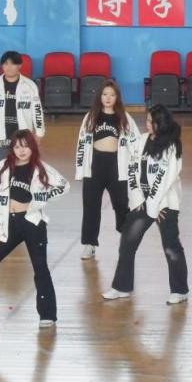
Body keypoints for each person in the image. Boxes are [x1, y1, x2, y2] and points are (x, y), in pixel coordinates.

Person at [0, 130, 70, 329]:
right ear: (12, 149)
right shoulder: (2, 167)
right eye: (17, 146)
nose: (21, 151)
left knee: (40, 268)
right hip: (9, 224)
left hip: (33, 223)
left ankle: (47, 315)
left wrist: (41, 199)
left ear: (32, 147)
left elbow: (64, 186)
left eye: (25, 146)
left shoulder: (41, 168)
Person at [102, 104, 189, 302]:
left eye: (152, 121)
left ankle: (180, 290)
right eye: (148, 121)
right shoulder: (141, 140)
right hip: (142, 201)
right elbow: (132, 169)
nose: (147, 124)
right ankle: (122, 287)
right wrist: (138, 199)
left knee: (171, 246)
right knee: (128, 241)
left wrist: (154, 206)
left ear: (161, 123)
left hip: (164, 203)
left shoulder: (172, 146)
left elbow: (165, 178)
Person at [74, 79, 140, 259]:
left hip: (116, 166)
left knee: (121, 204)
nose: (108, 98)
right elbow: (82, 143)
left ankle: (126, 239)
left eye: (112, 95)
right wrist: (80, 169)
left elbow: (136, 143)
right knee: (91, 205)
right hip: (95, 165)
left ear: (117, 97)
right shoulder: (91, 116)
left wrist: (135, 168)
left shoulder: (125, 117)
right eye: (105, 94)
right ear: (100, 96)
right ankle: (89, 244)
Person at [0, 51, 45, 174]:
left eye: (13, 64)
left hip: (23, 137)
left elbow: (37, 110)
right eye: (6, 64)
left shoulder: (30, 86)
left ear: (19, 65)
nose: (9, 67)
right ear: (2, 66)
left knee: (24, 170)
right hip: (0, 138)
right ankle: (3, 186)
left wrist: (39, 132)